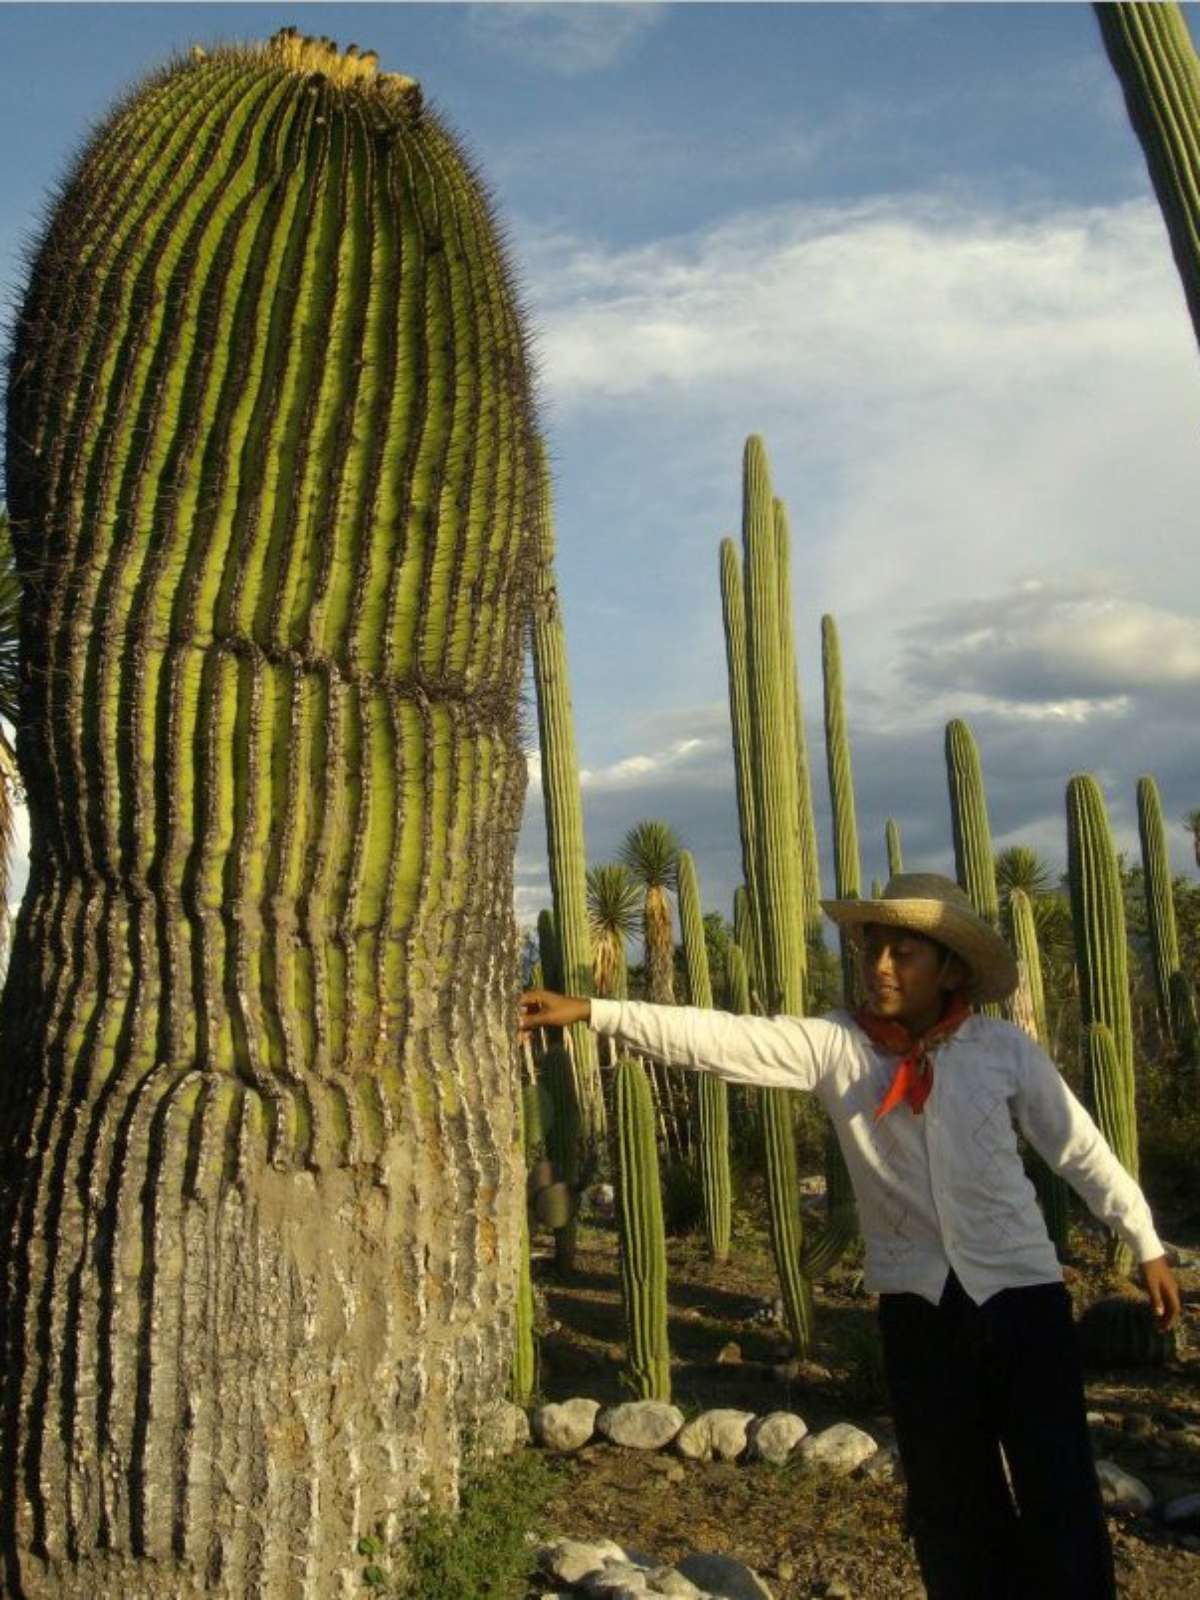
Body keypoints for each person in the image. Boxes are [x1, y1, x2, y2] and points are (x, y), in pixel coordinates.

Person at [518, 872, 1182, 1600]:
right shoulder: (838, 1046)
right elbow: (722, 1039)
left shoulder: (1002, 1051)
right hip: (919, 1309)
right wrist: (595, 1011)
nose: (882, 967)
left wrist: (1141, 1237)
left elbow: (1076, 1145)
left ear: (950, 969)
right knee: (950, 1501)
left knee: (1058, 1487)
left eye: (905, 953)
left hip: (1024, 1298)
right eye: (873, 950)